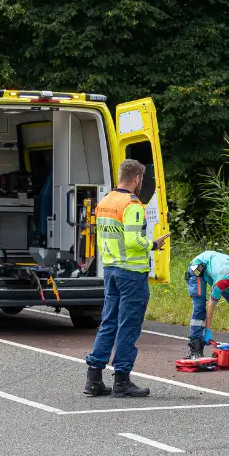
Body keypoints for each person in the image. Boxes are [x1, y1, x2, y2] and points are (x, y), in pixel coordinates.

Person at [83, 159, 169, 398]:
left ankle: (94, 379)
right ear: (138, 179)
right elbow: (133, 241)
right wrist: (153, 244)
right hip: (131, 273)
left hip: (111, 269)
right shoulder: (132, 205)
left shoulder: (106, 201)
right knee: (128, 326)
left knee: (108, 322)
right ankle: (122, 380)